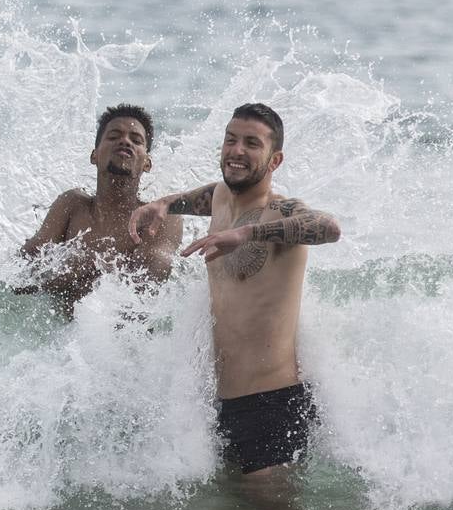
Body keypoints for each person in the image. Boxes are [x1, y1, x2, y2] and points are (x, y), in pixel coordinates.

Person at [129, 103, 340, 481]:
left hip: (273, 404)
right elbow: (208, 194)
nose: (236, 150)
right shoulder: (223, 199)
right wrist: (163, 205)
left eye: (251, 143)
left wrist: (247, 234)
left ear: (274, 160)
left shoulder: (282, 212)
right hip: (224, 406)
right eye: (230, 140)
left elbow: (328, 228)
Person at [19, 104, 182, 314]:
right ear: (94, 156)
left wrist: (80, 266)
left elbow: (148, 284)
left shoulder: (161, 217)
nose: (125, 141)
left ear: (147, 163)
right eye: (114, 136)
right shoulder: (72, 205)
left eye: (136, 140)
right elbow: (23, 272)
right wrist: (65, 269)